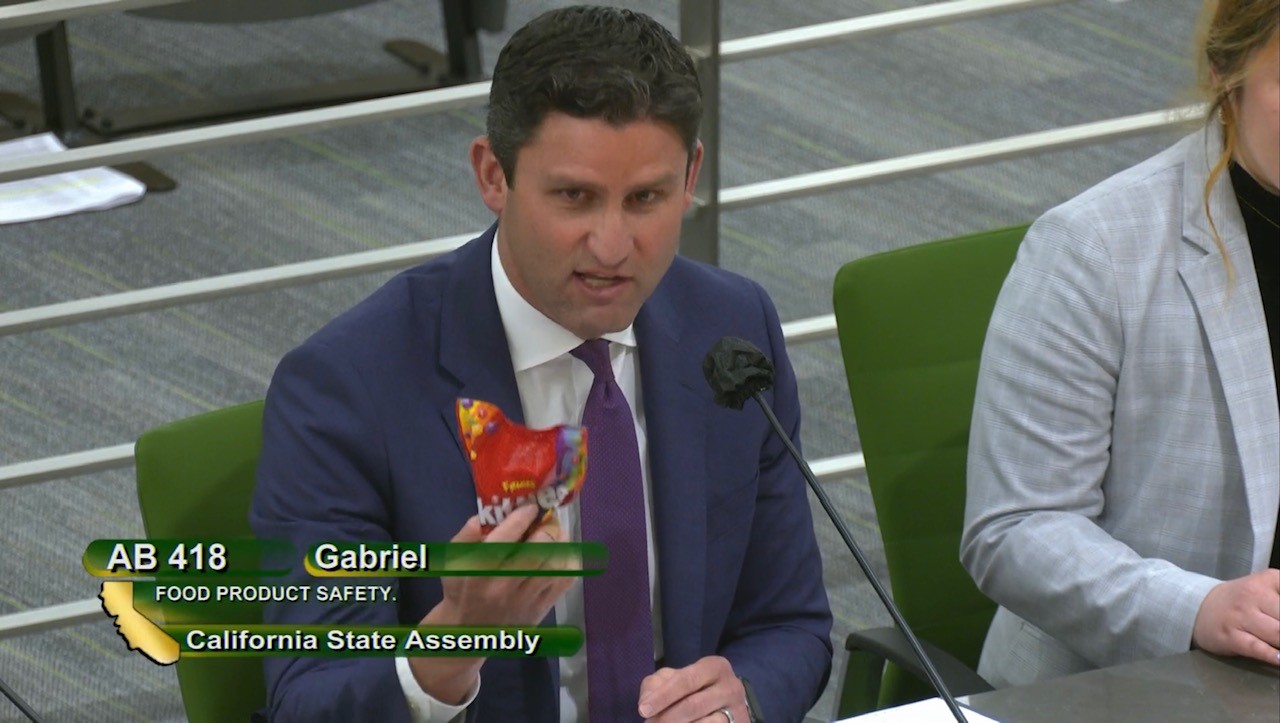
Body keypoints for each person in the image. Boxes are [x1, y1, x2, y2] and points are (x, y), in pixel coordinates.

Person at [250, 6, 833, 722]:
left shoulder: (732, 331)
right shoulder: (349, 385)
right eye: (574, 197)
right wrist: (454, 642)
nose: (613, 245)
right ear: (493, 175)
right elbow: (307, 698)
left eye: (646, 198)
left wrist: (743, 696)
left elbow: (789, 624)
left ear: (692, 177)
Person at [961, 0, 1279, 689]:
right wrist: (1196, 606)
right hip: (1138, 679)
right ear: (1226, 74)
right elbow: (1015, 527)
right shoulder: (1093, 248)